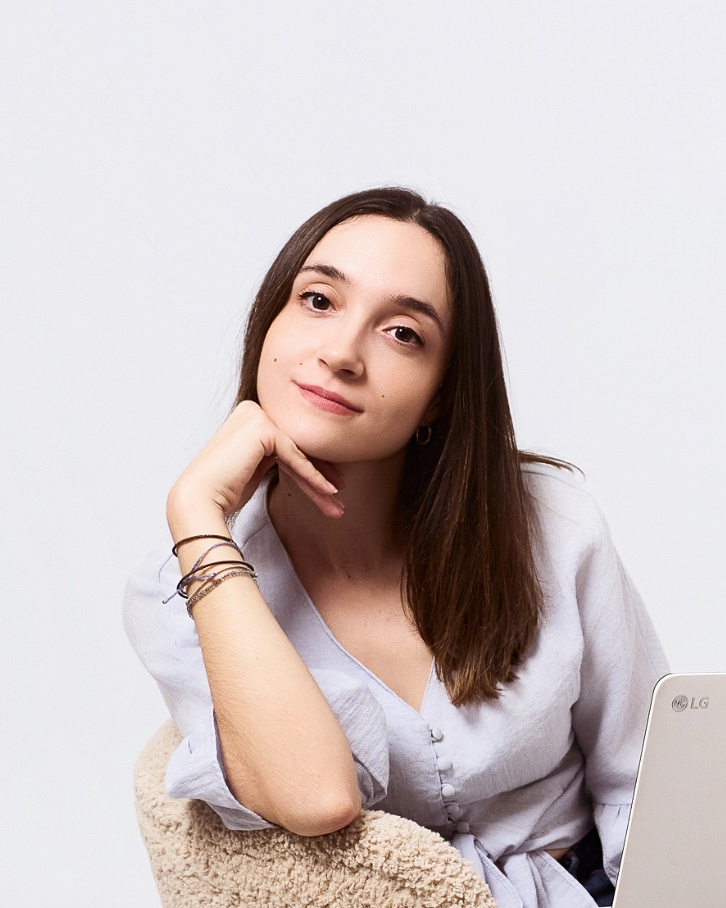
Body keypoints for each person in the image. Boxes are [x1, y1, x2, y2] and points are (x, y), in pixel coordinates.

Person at [124, 187, 669, 908]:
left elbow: (644, 780)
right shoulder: (179, 590)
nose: (342, 353)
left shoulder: (555, 525)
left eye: (403, 333)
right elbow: (319, 797)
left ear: (440, 395)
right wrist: (197, 516)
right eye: (318, 301)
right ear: (269, 324)